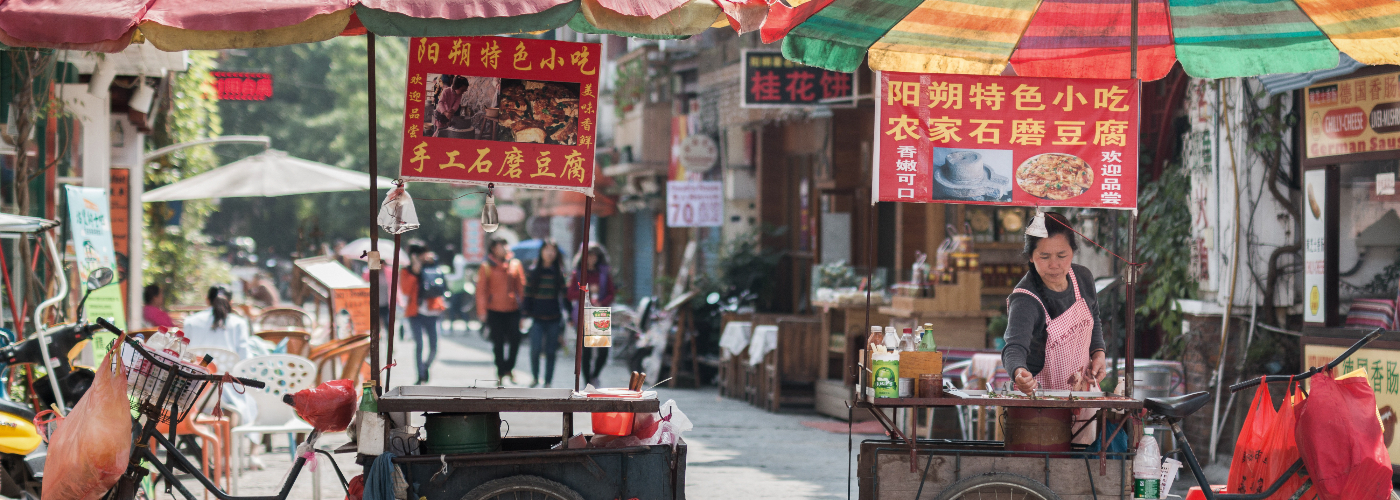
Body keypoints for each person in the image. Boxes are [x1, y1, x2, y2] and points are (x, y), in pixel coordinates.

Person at [1001, 212, 1105, 444]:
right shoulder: (1026, 298)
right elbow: (1014, 347)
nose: (1055, 265)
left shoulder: (1083, 278)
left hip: (1082, 396)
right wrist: (1019, 373)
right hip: (1040, 408)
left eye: (1062, 255)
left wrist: (1098, 353)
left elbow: (1094, 318)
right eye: (1044, 256)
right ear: (1030, 257)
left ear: (1073, 252)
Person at [476, 238, 526, 384]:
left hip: (513, 309)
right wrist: (482, 311)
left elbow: (521, 288)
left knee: (515, 339)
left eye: (505, 245)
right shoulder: (486, 266)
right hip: (494, 310)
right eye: (500, 246)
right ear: (493, 249)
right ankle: (500, 371)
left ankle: (509, 368)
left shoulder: (515, 264)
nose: (503, 248)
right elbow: (481, 291)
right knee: (498, 342)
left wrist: (525, 310)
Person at [568, 242, 616, 388]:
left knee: (602, 352)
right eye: (589, 255)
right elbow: (570, 294)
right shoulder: (578, 273)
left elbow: (611, 293)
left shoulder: (604, 273)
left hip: (599, 313)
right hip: (584, 313)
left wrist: (602, 302)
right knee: (586, 352)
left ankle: (595, 375)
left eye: (594, 256)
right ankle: (588, 381)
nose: (591, 259)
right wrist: (586, 291)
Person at [523, 240, 567, 388]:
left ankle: (548, 381)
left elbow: (565, 296)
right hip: (536, 318)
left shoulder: (559, 273)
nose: (550, 253)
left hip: (554, 318)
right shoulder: (533, 271)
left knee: (551, 351)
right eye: (547, 250)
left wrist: (570, 317)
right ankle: (535, 377)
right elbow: (527, 294)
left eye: (553, 250)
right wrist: (524, 315)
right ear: (541, 252)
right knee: (535, 349)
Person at [402, 246, 448, 384]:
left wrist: (432, 262)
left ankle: (425, 367)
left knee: (434, 347)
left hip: (433, 311)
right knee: (419, 345)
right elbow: (405, 290)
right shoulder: (406, 271)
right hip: (415, 312)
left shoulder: (433, 266)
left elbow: (441, 284)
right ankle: (420, 375)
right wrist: (414, 272)